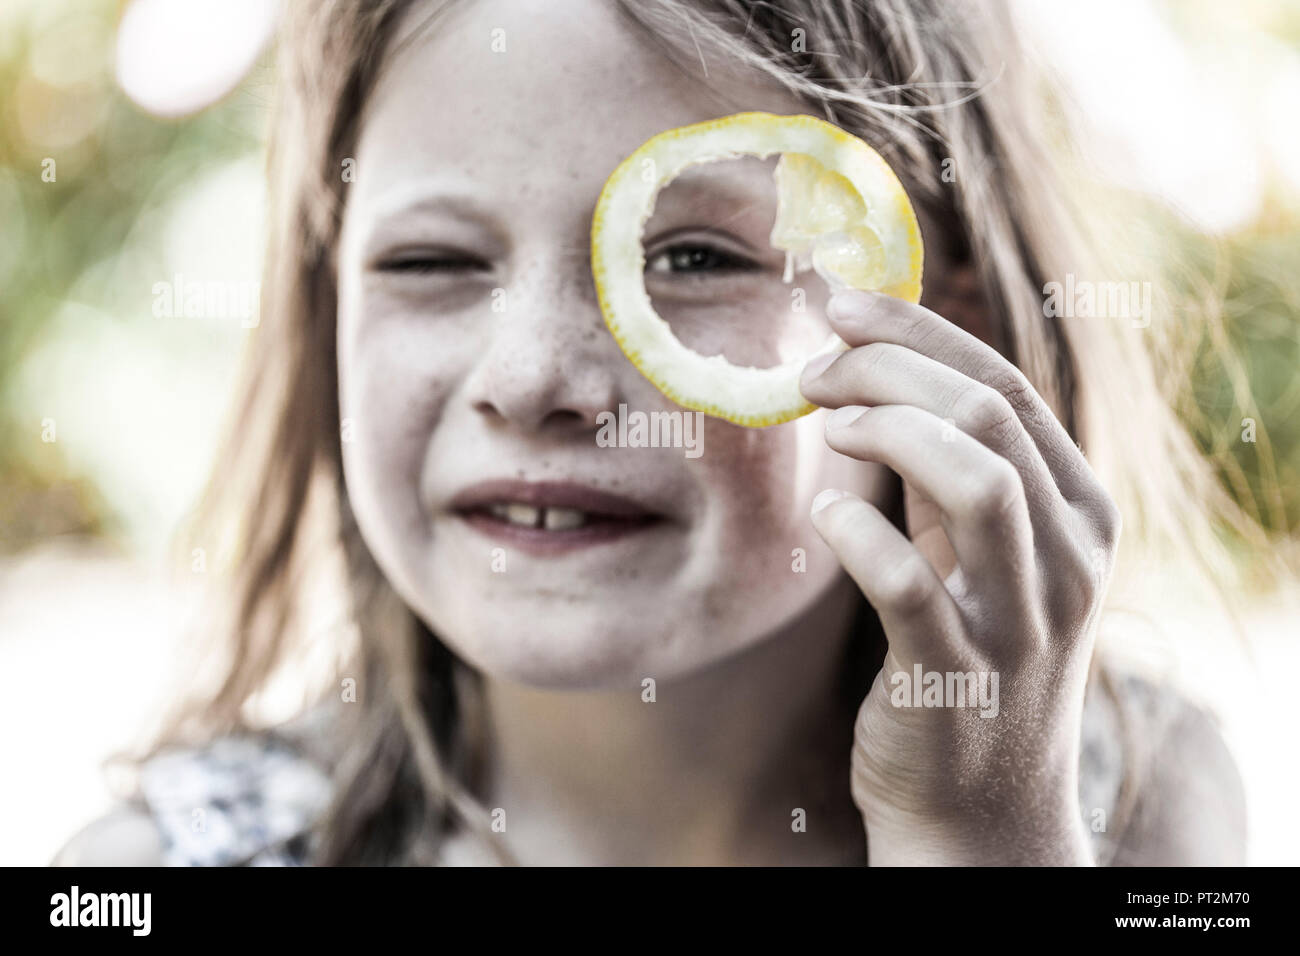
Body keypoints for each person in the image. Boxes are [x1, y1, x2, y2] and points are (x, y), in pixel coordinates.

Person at [55, 0, 1250, 866]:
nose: (529, 380)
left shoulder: (1133, 802)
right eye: (431, 260)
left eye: (697, 257)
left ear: (944, 328)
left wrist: (984, 841)